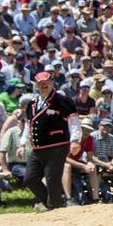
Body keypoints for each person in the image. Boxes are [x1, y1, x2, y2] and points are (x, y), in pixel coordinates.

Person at [22, 71, 81, 211]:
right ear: (36, 86)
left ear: (52, 84)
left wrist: (75, 141)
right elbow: (28, 125)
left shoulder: (62, 100)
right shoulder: (31, 104)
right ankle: (54, 205)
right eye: (40, 84)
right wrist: (22, 143)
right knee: (30, 179)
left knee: (52, 178)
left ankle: (55, 209)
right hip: (37, 148)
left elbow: (74, 122)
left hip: (57, 146)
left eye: (46, 84)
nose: (43, 86)